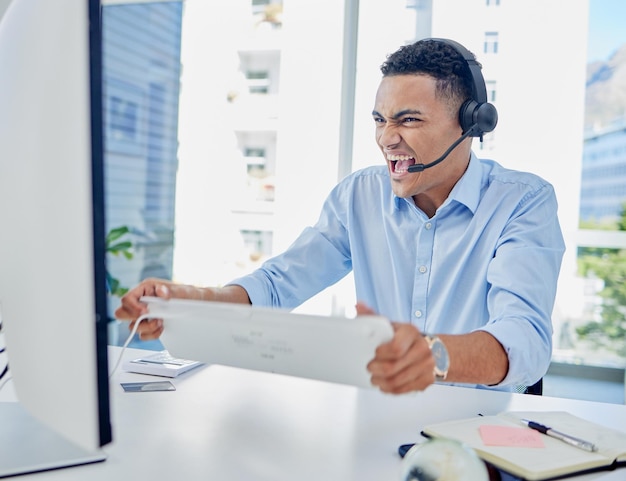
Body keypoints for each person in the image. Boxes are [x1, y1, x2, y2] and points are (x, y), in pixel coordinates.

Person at [115, 38, 565, 395]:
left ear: (470, 124)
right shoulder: (359, 196)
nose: (387, 138)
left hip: (482, 422)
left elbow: (523, 337)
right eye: (379, 119)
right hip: (381, 412)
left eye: (408, 120)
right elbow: (279, 284)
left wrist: (432, 357)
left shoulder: (523, 202)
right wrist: (187, 301)